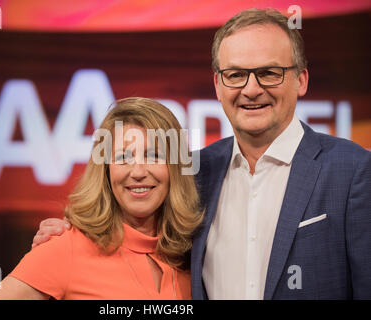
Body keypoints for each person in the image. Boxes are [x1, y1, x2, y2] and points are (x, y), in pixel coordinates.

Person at [33, 8, 371, 299]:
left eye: (269, 73)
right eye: (235, 75)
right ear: (218, 86)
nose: (251, 90)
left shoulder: (354, 171)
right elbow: (130, 234)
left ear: (301, 80)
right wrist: (69, 237)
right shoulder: (192, 172)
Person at [0, 97, 203, 300]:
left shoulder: (194, 255)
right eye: (123, 157)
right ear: (105, 169)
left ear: (175, 167)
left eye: (154, 155)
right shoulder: (65, 247)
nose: (138, 172)